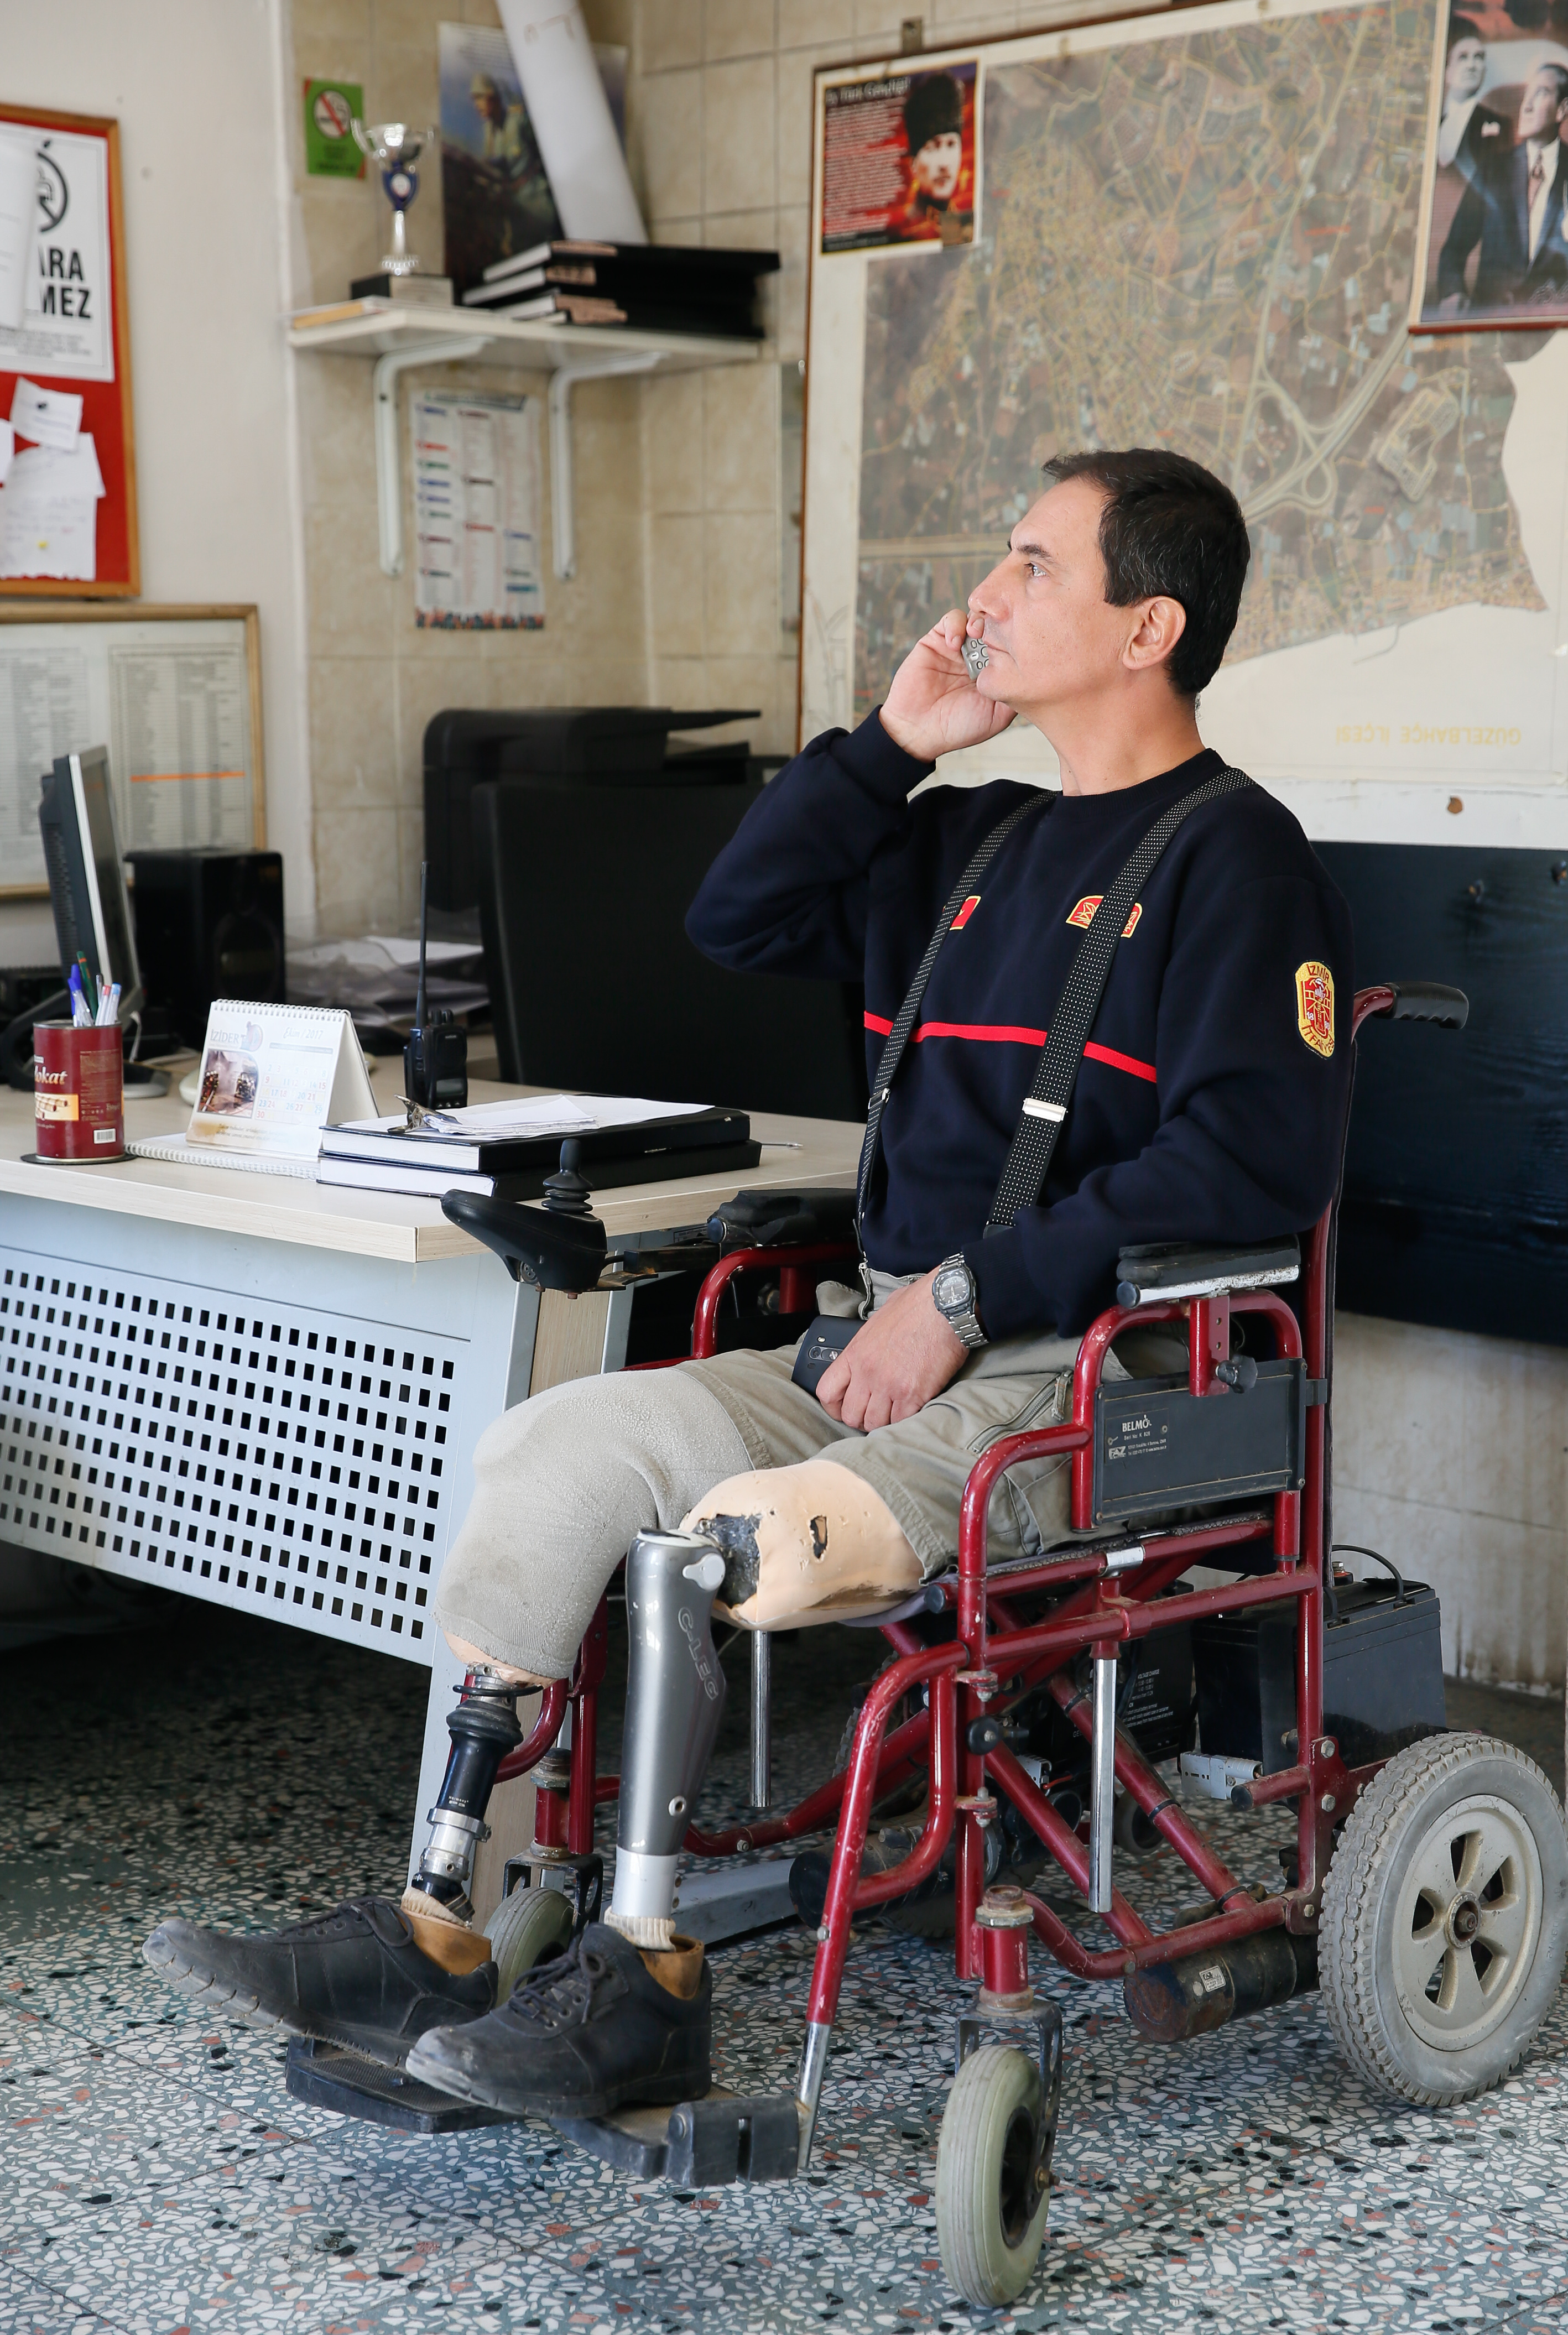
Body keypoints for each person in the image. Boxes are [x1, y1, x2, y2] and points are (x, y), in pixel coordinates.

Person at [142, 450, 1353, 2123]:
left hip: (1092, 1372)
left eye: (1032, 564)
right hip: (878, 1340)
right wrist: (891, 744)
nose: (984, 595)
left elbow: (1256, 1162)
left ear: (1149, 627)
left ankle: (647, 1985)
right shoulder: (975, 839)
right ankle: (429, 1921)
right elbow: (736, 912)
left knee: (740, 1537)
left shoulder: (1243, 865)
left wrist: (964, 1299)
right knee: (553, 1454)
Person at [1437, 59, 1568, 312]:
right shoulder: (1491, 171)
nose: (1526, 106)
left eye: (1541, 93)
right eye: (1527, 95)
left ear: (1562, 110)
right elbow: (1453, 251)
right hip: (1491, 320)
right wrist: (1453, 293)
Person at [1435, 16, 1508, 183]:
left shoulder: (1501, 124)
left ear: (1484, 71)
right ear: (1448, 72)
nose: (1472, 65)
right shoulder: (1434, 122)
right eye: (1463, 58)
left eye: (1479, 57)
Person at [900, 72, 969, 234]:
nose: (944, 164)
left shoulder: (962, 224)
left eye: (951, 145)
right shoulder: (903, 231)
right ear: (913, 163)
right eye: (932, 148)